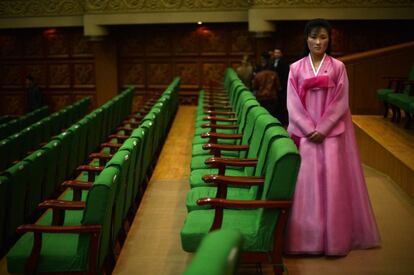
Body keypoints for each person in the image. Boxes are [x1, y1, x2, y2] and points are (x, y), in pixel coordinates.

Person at [285, 19, 380, 256]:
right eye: (314, 36)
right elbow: (292, 104)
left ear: (330, 40)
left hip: (331, 135)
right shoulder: (295, 68)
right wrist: (308, 129)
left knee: (333, 185)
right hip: (306, 135)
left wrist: (324, 128)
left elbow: (341, 103)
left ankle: (334, 242)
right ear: (306, 39)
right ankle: (305, 241)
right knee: (305, 185)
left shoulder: (338, 67)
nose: (318, 42)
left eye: (323, 37)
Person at [271, 49, 290, 125]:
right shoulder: (272, 62)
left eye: (278, 52)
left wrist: (281, 85)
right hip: (274, 86)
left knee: (282, 104)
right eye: (275, 52)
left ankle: (282, 121)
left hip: (282, 85)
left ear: (281, 54)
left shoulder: (284, 62)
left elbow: (285, 74)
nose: (276, 54)